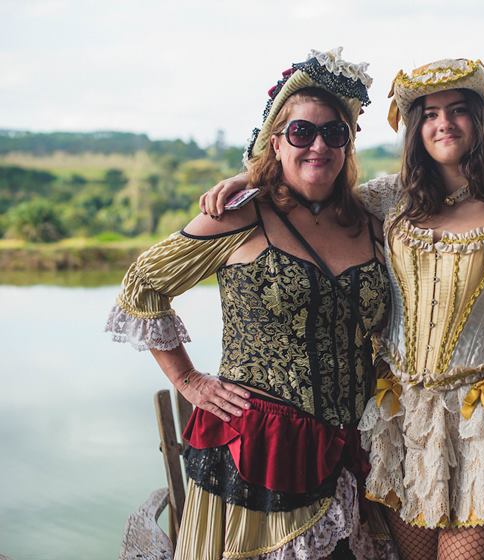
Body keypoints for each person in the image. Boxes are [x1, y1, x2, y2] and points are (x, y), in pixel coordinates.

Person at [203, 57, 484, 560]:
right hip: (404, 424)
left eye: (458, 109)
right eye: (429, 112)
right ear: (414, 127)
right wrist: (249, 181)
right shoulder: (389, 200)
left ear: (483, 119)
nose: (443, 123)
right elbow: (313, 186)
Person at [105, 48, 398, 560]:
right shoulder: (242, 216)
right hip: (256, 453)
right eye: (302, 133)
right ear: (275, 140)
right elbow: (142, 286)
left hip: (351, 451)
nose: (319, 146)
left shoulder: (369, 221)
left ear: (349, 145)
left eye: (335, 133)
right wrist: (188, 380)